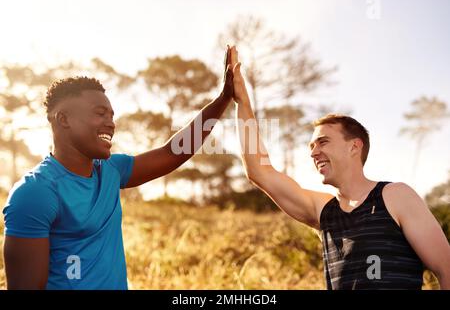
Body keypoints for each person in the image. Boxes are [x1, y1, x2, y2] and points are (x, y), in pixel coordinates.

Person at [2, 47, 235, 289]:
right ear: (64, 120)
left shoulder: (111, 170)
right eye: (100, 113)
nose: (111, 123)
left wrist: (223, 99)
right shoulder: (35, 193)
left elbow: (171, 153)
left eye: (112, 116)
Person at [228, 46, 450, 289]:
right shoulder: (324, 211)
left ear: (354, 147)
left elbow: (446, 269)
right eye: (311, 145)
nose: (313, 152)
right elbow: (260, 172)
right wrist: (241, 100)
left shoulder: (396, 196)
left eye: (323, 142)